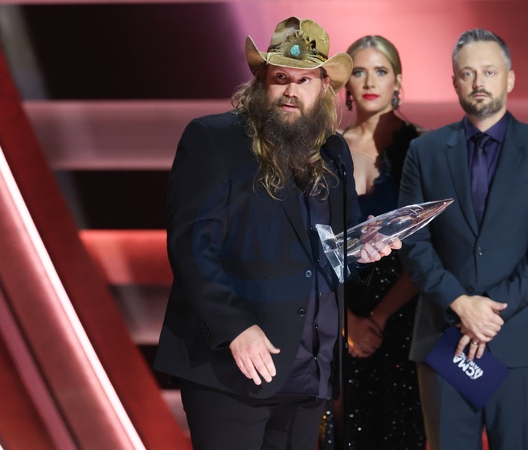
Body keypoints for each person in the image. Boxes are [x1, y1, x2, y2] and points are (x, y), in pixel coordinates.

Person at [153, 16, 399, 450]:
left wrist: (364, 249)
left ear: (323, 87)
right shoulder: (214, 138)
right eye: (280, 78)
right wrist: (235, 328)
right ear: (260, 82)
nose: (291, 90)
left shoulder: (334, 152)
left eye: (304, 80)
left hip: (309, 372)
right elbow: (192, 246)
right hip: (234, 369)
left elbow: (335, 250)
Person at [398, 29, 528, 449]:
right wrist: (460, 304)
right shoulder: (424, 152)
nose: (479, 82)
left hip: (524, 342)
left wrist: (491, 312)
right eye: (468, 73)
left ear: (509, 79)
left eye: (489, 72)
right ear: (454, 82)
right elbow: (413, 241)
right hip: (446, 336)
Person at [321, 35, 426, 450]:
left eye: (380, 71)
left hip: (406, 315)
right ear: (346, 85)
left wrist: (379, 319)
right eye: (360, 72)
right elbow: (313, 244)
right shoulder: (325, 151)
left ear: (397, 81)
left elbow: (432, 245)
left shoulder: (424, 148)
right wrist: (347, 323)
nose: (369, 82)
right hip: (338, 314)